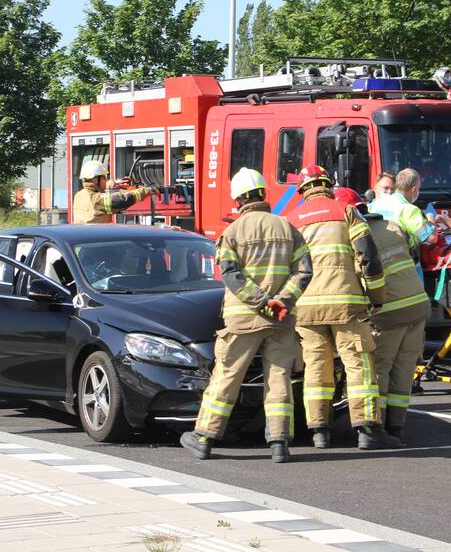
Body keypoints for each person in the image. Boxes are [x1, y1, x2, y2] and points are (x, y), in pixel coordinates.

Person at [181, 168, 312, 463]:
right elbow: (304, 271)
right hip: (280, 319)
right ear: (264, 194)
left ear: (238, 199)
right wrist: (280, 302)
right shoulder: (287, 228)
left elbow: (230, 275)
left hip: (243, 319)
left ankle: (204, 437)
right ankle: (279, 443)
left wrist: (262, 302)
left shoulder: (232, 232)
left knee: (227, 375)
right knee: (279, 378)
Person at [286, 166, 401, 450]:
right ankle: (366, 430)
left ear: (302, 190)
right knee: (358, 364)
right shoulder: (346, 212)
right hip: (345, 303)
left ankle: (319, 432)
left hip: (306, 309)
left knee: (316, 367)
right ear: (327, 184)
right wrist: (376, 297)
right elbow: (369, 258)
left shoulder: (290, 220)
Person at [334, 187, 430, 444]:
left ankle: (380, 430)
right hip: (417, 306)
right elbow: (413, 253)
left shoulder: (353, 236)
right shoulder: (393, 225)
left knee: (380, 370)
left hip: (389, 312)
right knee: (404, 369)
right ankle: (397, 428)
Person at [71, 160, 156, 224]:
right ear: (95, 179)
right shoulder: (96, 200)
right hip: (97, 243)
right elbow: (123, 200)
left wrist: (113, 183)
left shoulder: (79, 195)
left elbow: (96, 190)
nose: (106, 180)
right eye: (104, 177)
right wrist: (146, 190)